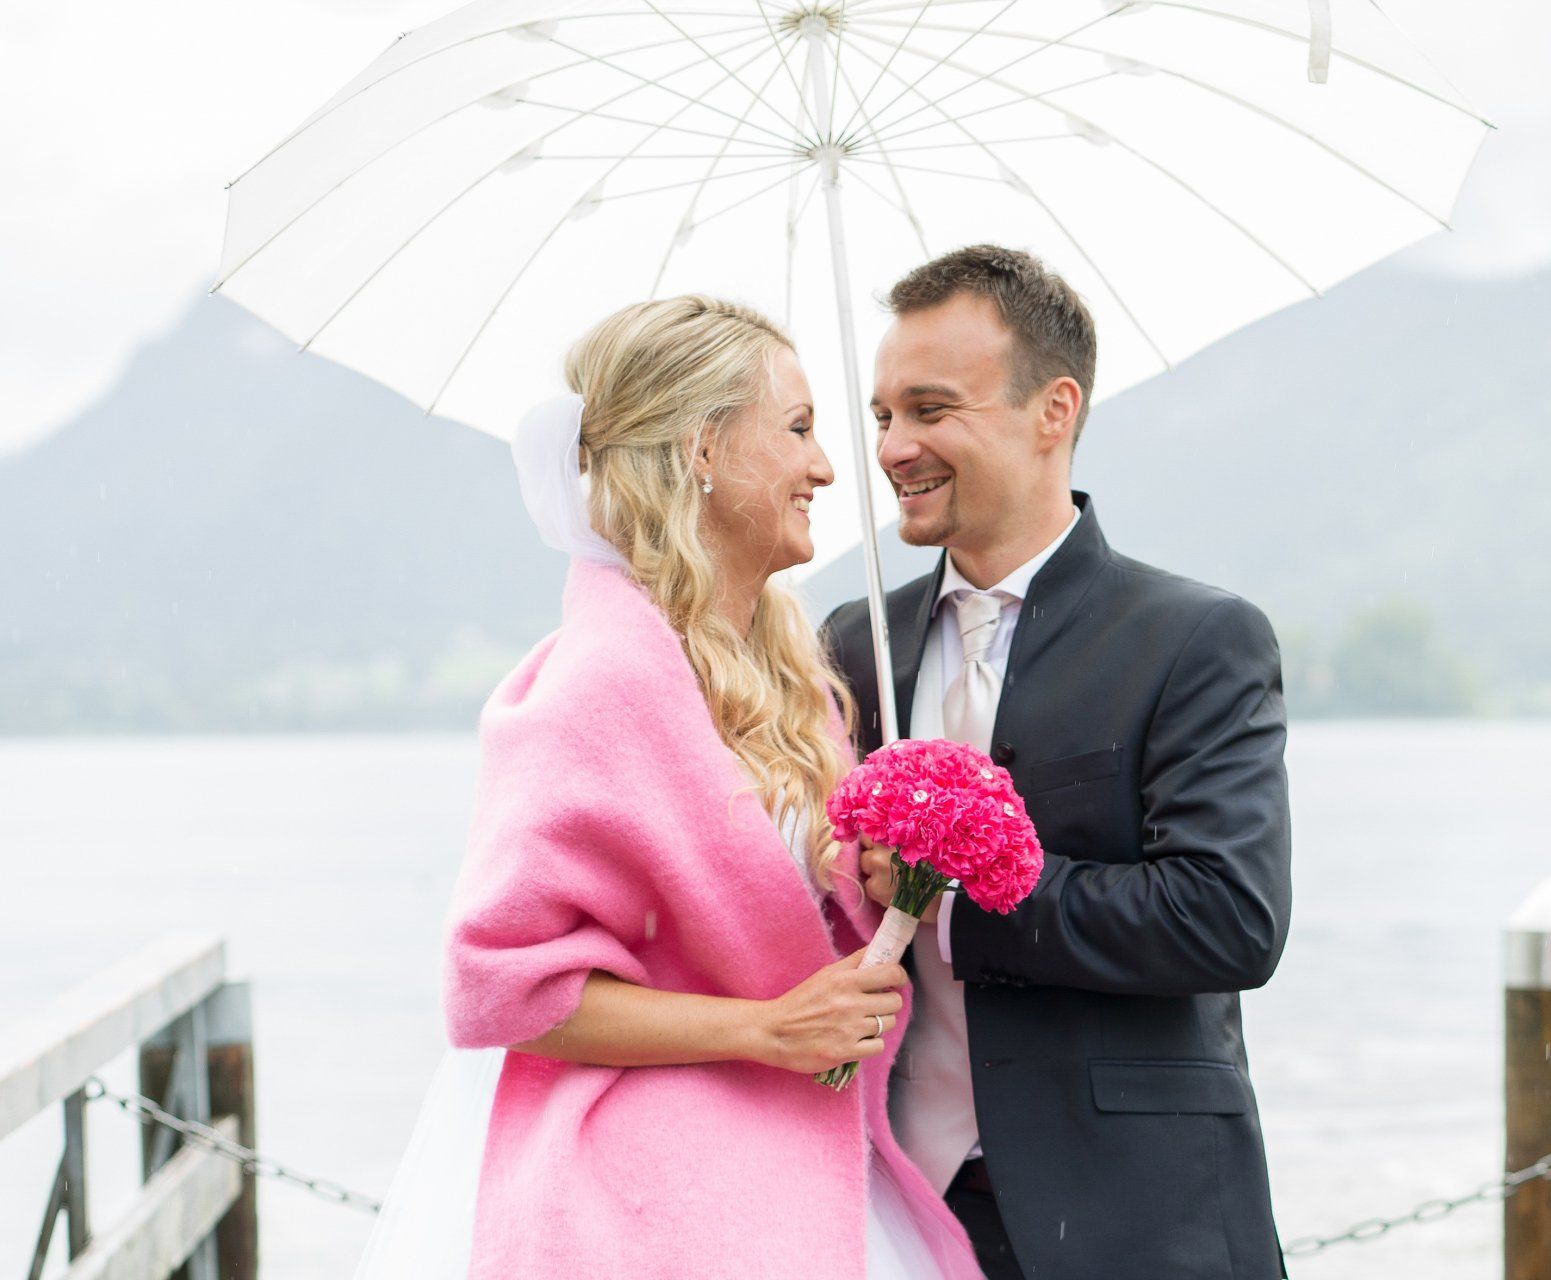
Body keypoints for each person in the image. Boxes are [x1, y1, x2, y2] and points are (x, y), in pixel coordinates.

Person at [352, 296, 983, 1280]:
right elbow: (501, 989)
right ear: (702, 449)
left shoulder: (795, 680)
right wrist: (765, 1028)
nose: (827, 467)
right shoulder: (594, 684)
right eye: (799, 429)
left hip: (794, 1172)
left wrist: (879, 879)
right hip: (651, 1204)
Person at [823, 246, 1294, 1280]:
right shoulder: (854, 643)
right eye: (883, 415)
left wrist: (957, 903)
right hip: (899, 1209)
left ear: (1054, 409)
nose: (894, 447)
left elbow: (1229, 918)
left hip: (1140, 1219)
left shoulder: (1194, 638)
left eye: (931, 409)